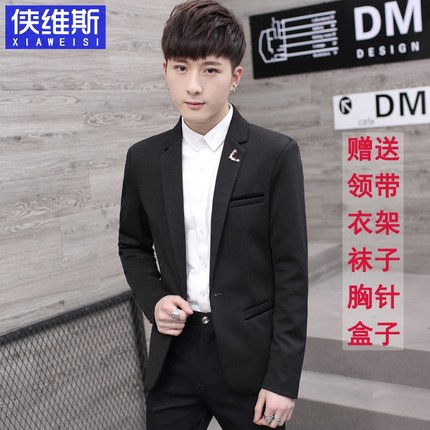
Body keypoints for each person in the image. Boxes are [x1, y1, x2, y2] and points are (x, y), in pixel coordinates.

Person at [118, 1, 308, 428]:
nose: (193, 86)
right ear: (165, 70)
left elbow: (292, 272)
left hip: (249, 358)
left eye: (209, 70)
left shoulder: (275, 154)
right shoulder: (144, 158)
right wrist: (154, 299)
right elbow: (132, 245)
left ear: (234, 77)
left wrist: (283, 378)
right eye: (181, 68)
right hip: (174, 357)